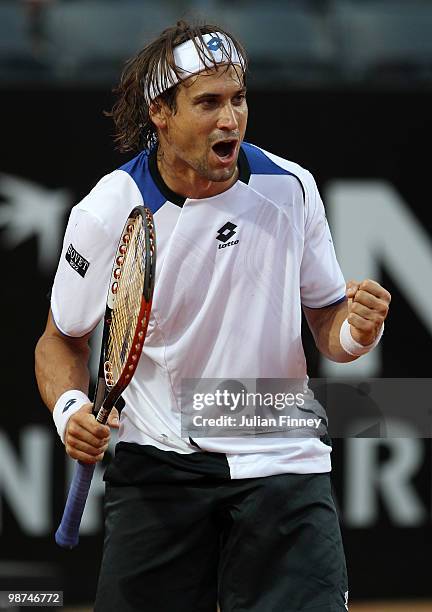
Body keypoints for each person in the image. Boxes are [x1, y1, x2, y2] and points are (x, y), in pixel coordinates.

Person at [35, 20, 391, 612]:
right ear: (161, 113)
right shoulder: (108, 211)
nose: (231, 119)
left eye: (238, 99)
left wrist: (358, 328)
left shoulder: (290, 187)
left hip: (282, 459)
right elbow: (60, 340)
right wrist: (70, 409)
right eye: (208, 103)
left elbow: (330, 327)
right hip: (160, 469)